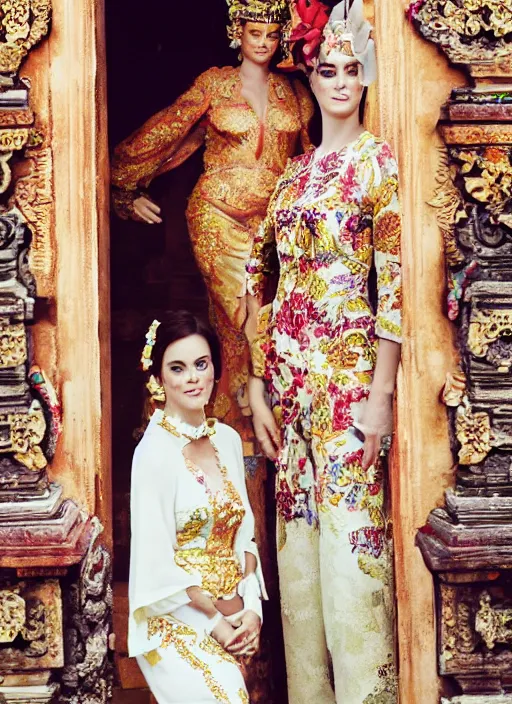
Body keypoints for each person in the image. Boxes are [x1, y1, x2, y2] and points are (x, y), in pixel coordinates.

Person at [245, 1, 402, 702]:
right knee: (299, 575)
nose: (339, 82)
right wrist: (255, 386)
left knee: (350, 569)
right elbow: (258, 277)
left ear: (365, 79)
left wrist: (380, 398)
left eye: (351, 70)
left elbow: (392, 291)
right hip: (290, 397)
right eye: (326, 70)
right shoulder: (293, 173)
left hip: (348, 398)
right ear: (309, 79)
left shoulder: (378, 167)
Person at [111, 0, 314, 452]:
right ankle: (253, 408)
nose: (262, 43)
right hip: (216, 215)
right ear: (237, 33)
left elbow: (307, 159)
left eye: (271, 34)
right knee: (243, 311)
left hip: (273, 226)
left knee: (259, 320)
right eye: (254, 32)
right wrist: (120, 184)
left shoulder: (296, 94)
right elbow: (165, 130)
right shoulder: (214, 83)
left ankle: (234, 429)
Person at [129, 311, 267, 704]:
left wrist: (252, 612)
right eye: (177, 367)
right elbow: (155, 565)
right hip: (176, 622)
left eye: (201, 364)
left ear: (215, 370)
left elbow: (245, 537)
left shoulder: (225, 440)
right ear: (158, 379)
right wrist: (219, 626)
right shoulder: (153, 453)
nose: (192, 378)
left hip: (237, 621)